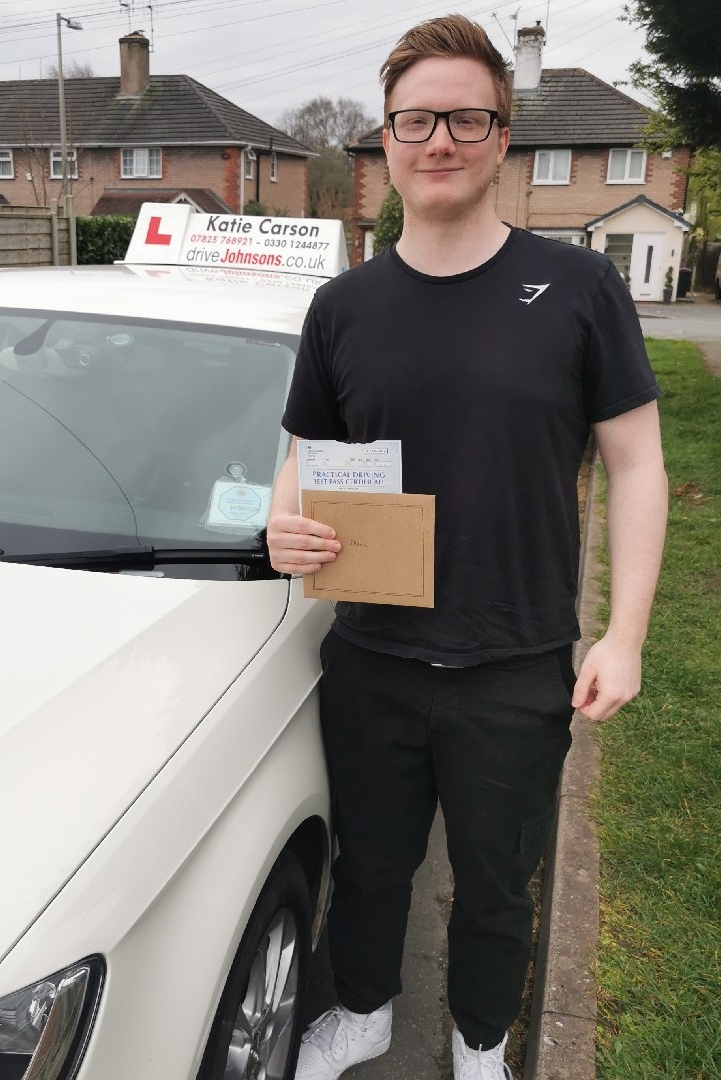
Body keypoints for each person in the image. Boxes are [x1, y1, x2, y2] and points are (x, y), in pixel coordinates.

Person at [266, 13, 668, 1080]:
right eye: (415, 120)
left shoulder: (579, 290)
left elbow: (637, 464)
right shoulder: (343, 306)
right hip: (374, 662)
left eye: (464, 118)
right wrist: (282, 517)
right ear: (386, 141)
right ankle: (362, 1010)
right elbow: (305, 449)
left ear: (500, 140)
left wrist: (622, 636)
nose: (437, 139)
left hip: (517, 663)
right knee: (375, 866)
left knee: (499, 880)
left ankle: (480, 1035)